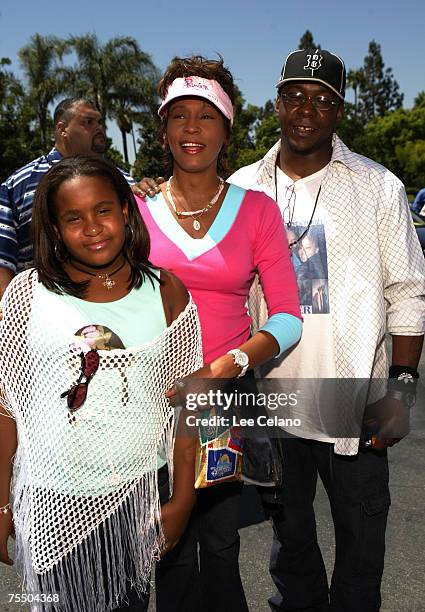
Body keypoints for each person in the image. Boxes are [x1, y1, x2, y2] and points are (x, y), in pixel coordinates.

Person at [228, 48, 425, 612]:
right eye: (295, 95)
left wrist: (402, 391)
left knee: (362, 543)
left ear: (339, 111)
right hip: (272, 397)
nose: (306, 109)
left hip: (355, 397)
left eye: (322, 99)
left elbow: (409, 290)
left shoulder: (378, 187)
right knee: (291, 544)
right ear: (278, 104)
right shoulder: (243, 187)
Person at [136, 55, 302, 612]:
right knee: (167, 546)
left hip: (222, 399)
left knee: (221, 543)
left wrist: (225, 367)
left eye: (205, 116)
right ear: (162, 129)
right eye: (178, 115)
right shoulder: (136, 211)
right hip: (150, 401)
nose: (191, 128)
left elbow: (286, 317)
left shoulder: (257, 211)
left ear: (226, 129)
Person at [0, 156, 202, 612]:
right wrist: (0, 505)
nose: (92, 227)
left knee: (127, 605)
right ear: (54, 228)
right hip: (52, 501)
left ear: (127, 211)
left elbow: (188, 402)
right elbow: (6, 406)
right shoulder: (27, 294)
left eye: (103, 210)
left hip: (136, 497)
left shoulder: (167, 292)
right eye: (74, 218)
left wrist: (184, 499)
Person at [0, 97, 134, 298]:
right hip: (40, 312)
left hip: (117, 305)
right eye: (88, 122)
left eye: (99, 122)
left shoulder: (125, 182)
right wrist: (9, 311)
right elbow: (2, 258)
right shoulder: (19, 184)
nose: (98, 128)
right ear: (62, 129)